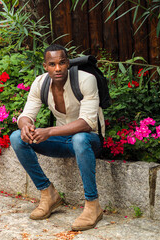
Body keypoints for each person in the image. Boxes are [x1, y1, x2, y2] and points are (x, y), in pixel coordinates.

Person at [10, 44, 105, 231]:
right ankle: (48, 194)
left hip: (89, 140)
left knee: (79, 139)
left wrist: (49, 131)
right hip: (63, 142)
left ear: (68, 63)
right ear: (45, 66)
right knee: (16, 137)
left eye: (62, 63)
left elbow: (87, 123)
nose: (58, 68)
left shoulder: (86, 80)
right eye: (52, 64)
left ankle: (93, 206)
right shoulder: (40, 83)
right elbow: (26, 114)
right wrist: (26, 126)